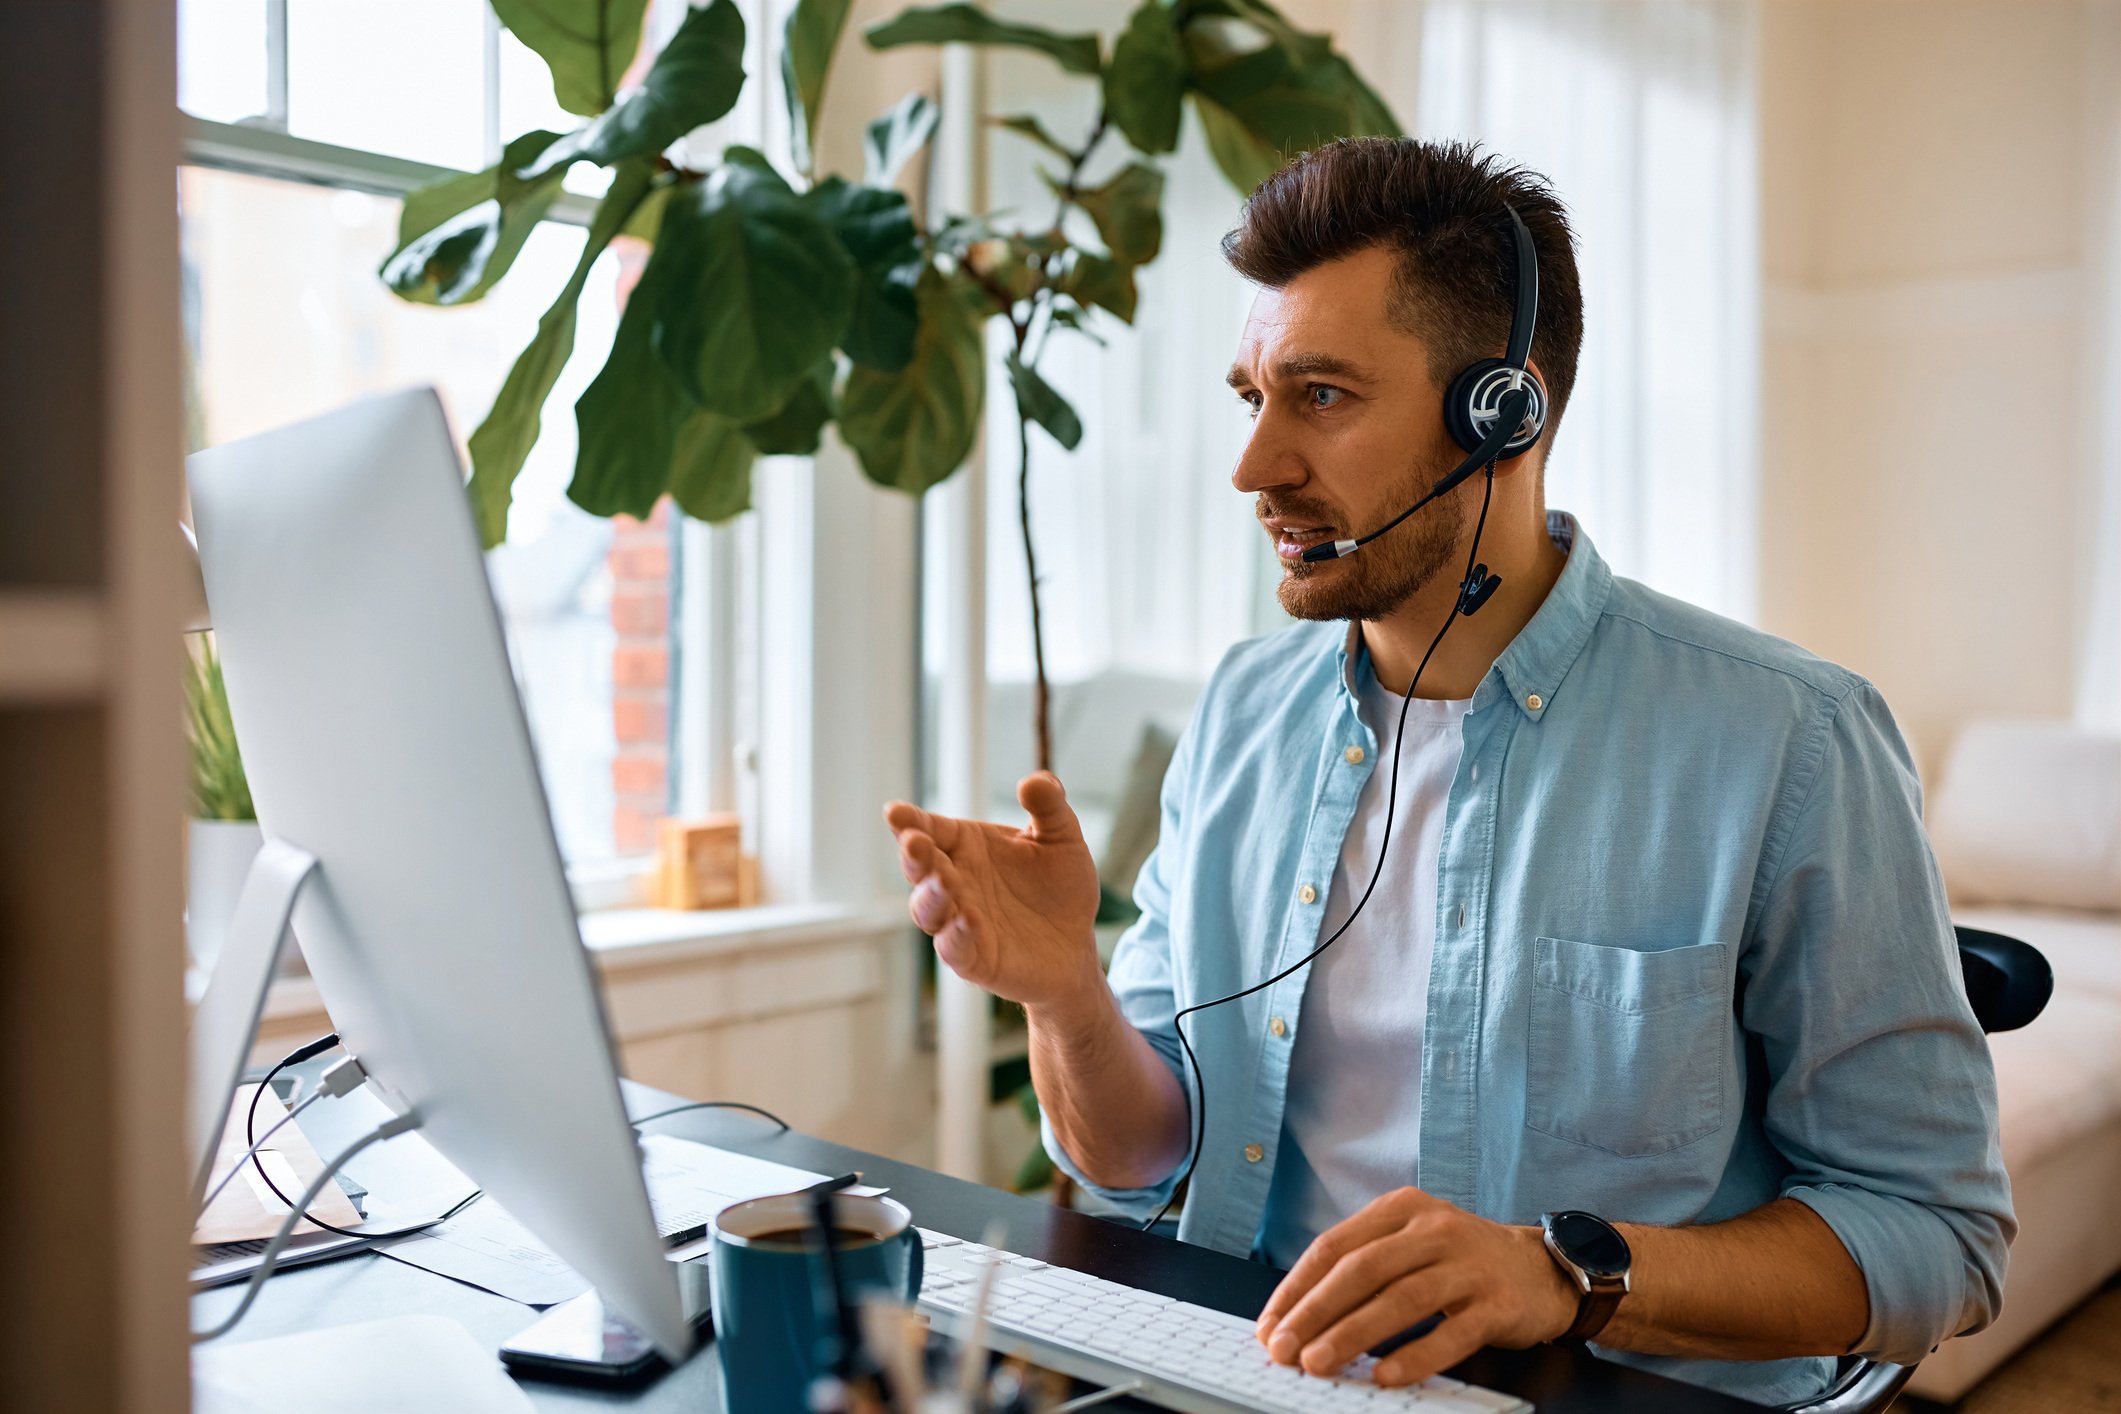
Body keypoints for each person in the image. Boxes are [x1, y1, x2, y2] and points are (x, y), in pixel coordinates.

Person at [882, 138, 2012, 1406]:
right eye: (1251, 398)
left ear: (1504, 413)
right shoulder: (1244, 711)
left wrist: (1564, 1272)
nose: (1254, 470)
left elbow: (1938, 1238)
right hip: (1252, 1372)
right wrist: (1064, 996)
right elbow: (1136, 1157)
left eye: (1320, 396)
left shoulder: (1790, 739)